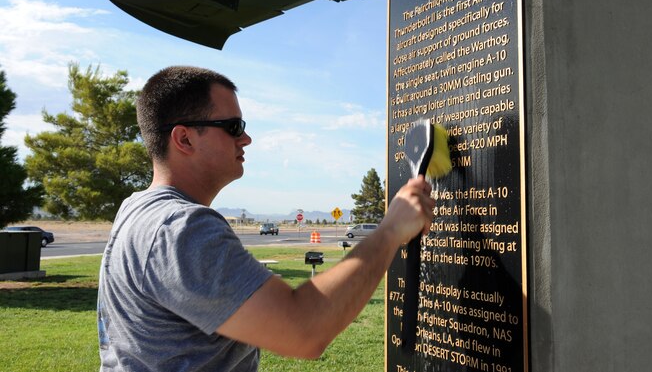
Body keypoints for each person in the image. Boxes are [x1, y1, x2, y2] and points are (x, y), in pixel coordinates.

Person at [97, 66, 435, 371]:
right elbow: (303, 330)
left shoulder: (136, 209)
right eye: (232, 127)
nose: (246, 138)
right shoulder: (181, 228)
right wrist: (390, 230)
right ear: (184, 138)